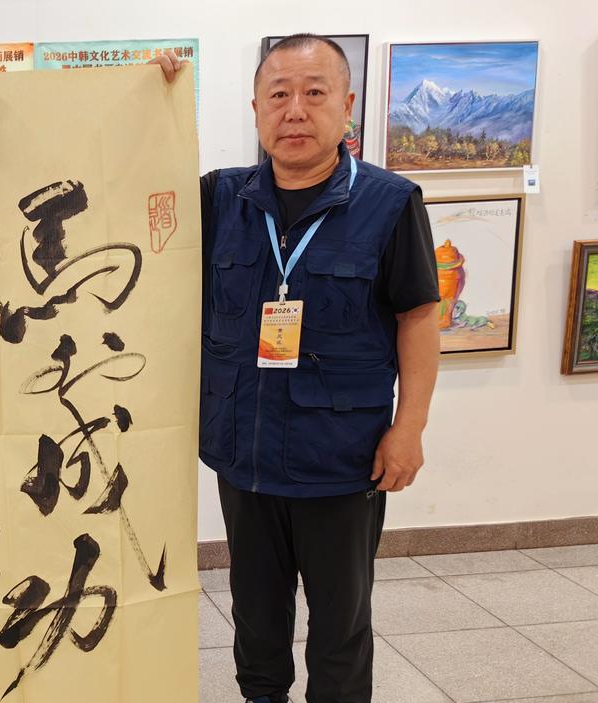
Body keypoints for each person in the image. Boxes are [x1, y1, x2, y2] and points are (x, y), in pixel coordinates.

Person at [154, 34, 440, 703]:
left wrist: (410, 428)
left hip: (341, 460)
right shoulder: (220, 198)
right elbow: (132, 193)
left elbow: (418, 319)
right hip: (243, 454)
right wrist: (154, 101)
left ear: (347, 105)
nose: (295, 110)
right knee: (255, 614)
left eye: (314, 93)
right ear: (256, 108)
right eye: (278, 94)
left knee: (340, 621)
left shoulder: (390, 202)